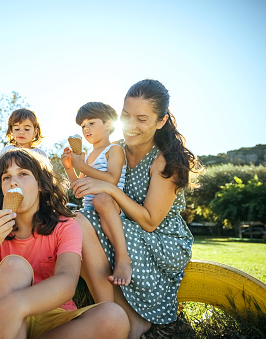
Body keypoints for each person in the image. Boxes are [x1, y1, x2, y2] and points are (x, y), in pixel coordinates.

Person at [72, 79, 201, 339]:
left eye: (142, 119)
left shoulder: (166, 160)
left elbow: (151, 221)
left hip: (161, 241)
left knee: (80, 223)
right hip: (120, 225)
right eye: (126, 116)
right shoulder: (115, 149)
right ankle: (120, 318)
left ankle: (115, 320)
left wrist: (110, 190)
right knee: (71, 224)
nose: (131, 125)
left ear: (161, 121)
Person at [0, 148, 129, 339]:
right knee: (14, 267)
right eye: (6, 177)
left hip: (52, 319)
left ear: (40, 184)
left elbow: (67, 283)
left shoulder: (65, 227)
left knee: (114, 317)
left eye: (23, 174)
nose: (13, 181)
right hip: (0, 316)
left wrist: (17, 304)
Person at [60, 102, 131, 286]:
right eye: (83, 126)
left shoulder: (114, 150)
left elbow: (112, 179)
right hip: (90, 208)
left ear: (108, 124)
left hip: (111, 205)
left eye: (91, 123)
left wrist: (81, 166)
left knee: (101, 198)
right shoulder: (89, 156)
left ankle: (123, 258)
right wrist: (69, 169)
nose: (86, 129)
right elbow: (79, 188)